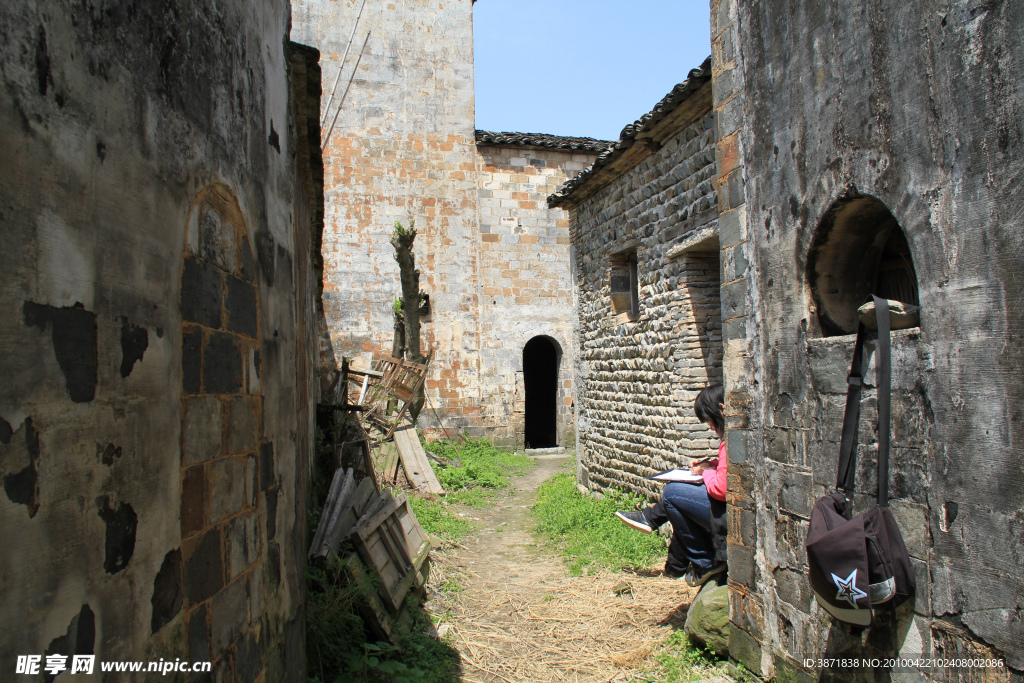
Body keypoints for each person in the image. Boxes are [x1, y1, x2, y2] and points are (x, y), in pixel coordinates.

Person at [615, 384, 728, 587]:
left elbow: (721, 488)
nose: (710, 426)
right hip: (724, 508)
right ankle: (653, 524)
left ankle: (704, 562)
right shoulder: (731, 438)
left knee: (672, 494)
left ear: (719, 411)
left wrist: (708, 472)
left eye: (709, 420)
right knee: (677, 494)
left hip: (728, 513)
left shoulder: (730, 441)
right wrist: (709, 465)